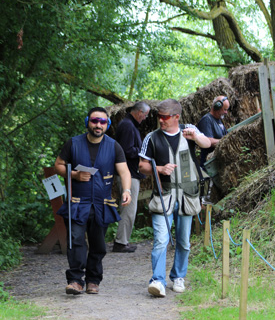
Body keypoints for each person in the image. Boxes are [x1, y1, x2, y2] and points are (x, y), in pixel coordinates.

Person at [54, 107, 132, 295]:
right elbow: (58, 166)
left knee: (98, 244)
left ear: (107, 125)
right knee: (76, 240)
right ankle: (75, 280)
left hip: (101, 204)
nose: (98, 125)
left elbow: (124, 172)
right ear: (87, 121)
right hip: (77, 203)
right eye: (95, 121)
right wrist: (74, 174)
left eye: (102, 122)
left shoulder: (114, 146)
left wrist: (127, 190)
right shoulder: (72, 144)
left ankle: (93, 280)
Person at [139, 99, 211, 298]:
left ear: (177, 117)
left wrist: (196, 136)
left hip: (188, 195)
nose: (161, 120)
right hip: (164, 195)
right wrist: (159, 169)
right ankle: (158, 280)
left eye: (165, 117)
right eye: (159, 117)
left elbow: (207, 144)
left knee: (184, 242)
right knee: (161, 240)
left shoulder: (189, 130)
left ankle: (179, 277)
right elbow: (142, 166)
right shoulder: (151, 138)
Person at [113, 101, 150, 253]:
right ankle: (121, 242)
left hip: (130, 172)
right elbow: (126, 150)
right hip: (128, 173)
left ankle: (123, 240)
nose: (145, 118)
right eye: (145, 115)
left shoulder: (129, 124)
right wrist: (143, 152)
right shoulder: (128, 125)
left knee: (129, 208)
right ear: (139, 112)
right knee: (128, 208)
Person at [197, 96, 229, 168]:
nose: (226, 112)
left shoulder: (218, 120)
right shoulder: (206, 120)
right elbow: (208, 141)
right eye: (224, 109)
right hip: (209, 165)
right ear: (217, 107)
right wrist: (225, 142)